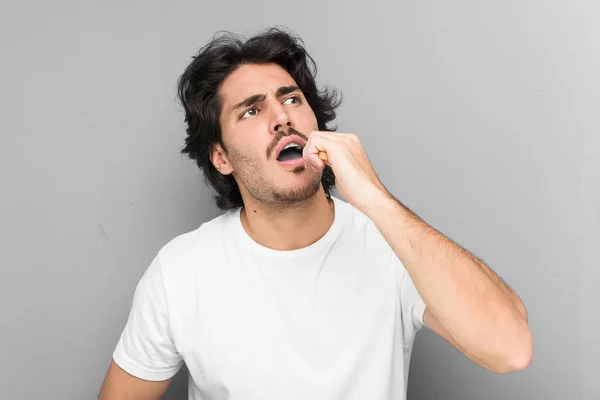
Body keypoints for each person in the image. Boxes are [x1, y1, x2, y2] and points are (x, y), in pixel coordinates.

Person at [98, 27, 533, 400]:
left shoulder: (391, 245)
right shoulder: (180, 272)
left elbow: (510, 348)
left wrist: (375, 199)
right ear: (221, 157)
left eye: (291, 99)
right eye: (251, 110)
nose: (281, 118)